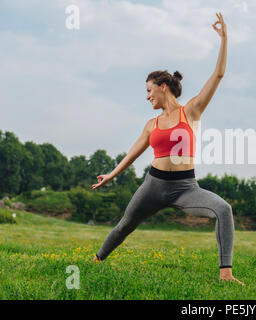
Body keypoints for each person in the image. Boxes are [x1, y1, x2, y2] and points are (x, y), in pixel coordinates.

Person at [91, 13, 244, 286]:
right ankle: (96, 261)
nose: (147, 95)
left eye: (150, 90)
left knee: (223, 209)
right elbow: (131, 155)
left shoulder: (192, 111)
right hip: (154, 185)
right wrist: (110, 175)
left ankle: (226, 275)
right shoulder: (152, 124)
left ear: (163, 87)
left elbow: (219, 74)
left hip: (186, 187)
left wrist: (224, 39)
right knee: (126, 224)